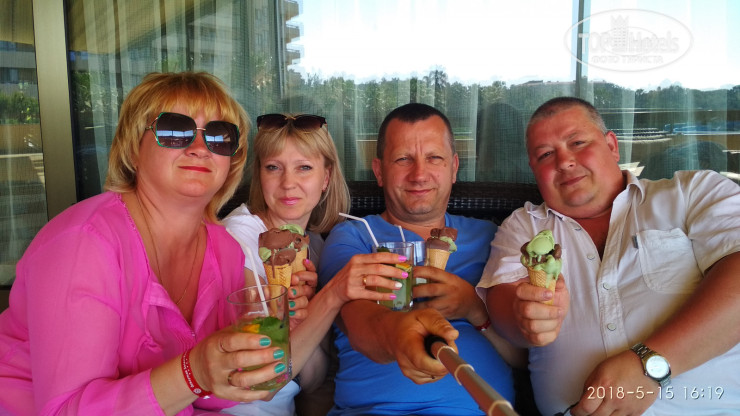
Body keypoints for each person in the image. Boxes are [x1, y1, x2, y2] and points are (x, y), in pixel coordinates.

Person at [0, 72, 287, 415]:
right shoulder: (84, 243)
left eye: (218, 136)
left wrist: (255, 360)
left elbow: (210, 393)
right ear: (134, 149)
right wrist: (194, 373)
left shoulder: (225, 250)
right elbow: (65, 410)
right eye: (174, 130)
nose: (200, 148)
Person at [479, 96, 740, 415]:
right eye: (545, 154)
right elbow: (504, 304)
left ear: (612, 146)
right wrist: (524, 317)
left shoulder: (694, 193)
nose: (564, 161)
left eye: (577, 142)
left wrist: (650, 366)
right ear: (534, 170)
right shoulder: (524, 226)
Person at [318, 103, 517, 415]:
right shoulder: (354, 236)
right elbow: (356, 319)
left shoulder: (495, 238)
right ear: (379, 171)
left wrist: (474, 308)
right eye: (403, 159)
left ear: (454, 167)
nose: (419, 174)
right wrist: (396, 335)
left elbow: (523, 355)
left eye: (434, 158)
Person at [222, 113, 401, 415]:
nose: (288, 183)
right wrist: (332, 295)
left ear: (326, 178)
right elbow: (264, 379)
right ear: (260, 175)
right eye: (273, 167)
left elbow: (311, 378)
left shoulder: (315, 246)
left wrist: (306, 315)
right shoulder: (236, 237)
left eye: (303, 167)